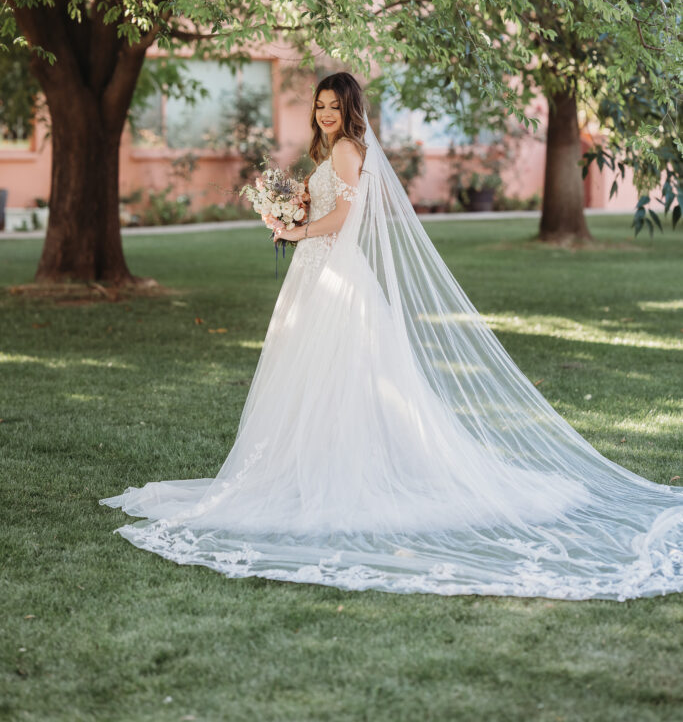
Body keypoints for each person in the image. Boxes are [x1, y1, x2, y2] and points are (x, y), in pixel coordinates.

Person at [100, 72, 683, 600]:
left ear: (350, 107)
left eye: (334, 106)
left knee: (342, 371)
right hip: (315, 272)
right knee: (312, 375)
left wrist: (296, 227)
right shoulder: (330, 150)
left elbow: (344, 220)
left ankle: (342, 474)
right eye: (320, 106)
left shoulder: (350, 149)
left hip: (335, 269)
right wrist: (292, 208)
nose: (326, 114)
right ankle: (309, 467)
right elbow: (323, 203)